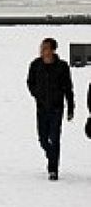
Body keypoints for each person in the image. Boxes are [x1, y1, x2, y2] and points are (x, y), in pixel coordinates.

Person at [26, 37, 75, 180]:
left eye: (46, 48)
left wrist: (71, 107)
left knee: (55, 138)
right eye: (42, 47)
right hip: (41, 108)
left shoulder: (62, 66)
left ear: (53, 50)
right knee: (42, 139)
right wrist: (36, 94)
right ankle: (51, 154)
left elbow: (68, 88)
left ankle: (53, 169)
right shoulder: (35, 65)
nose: (43, 51)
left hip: (56, 108)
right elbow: (30, 82)